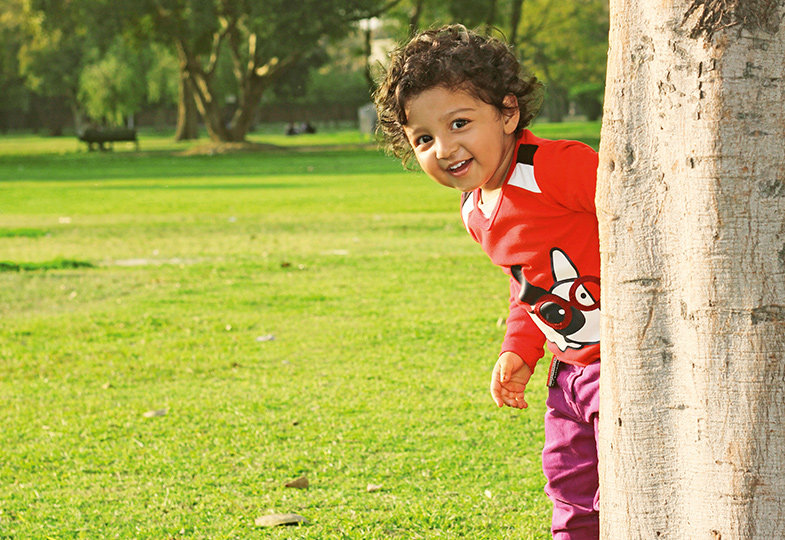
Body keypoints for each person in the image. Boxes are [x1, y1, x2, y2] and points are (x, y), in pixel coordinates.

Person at [374, 25, 601, 540]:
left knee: (631, 474)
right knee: (567, 481)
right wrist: (519, 350)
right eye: (425, 138)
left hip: (625, 363)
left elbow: (640, 216)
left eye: (460, 123)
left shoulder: (554, 167)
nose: (445, 147)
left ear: (508, 113)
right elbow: (527, 287)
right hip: (568, 373)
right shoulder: (475, 209)